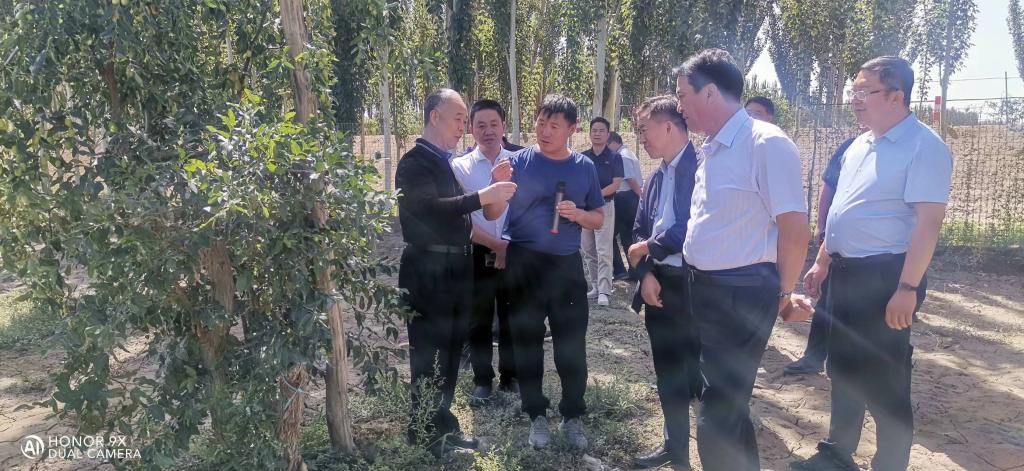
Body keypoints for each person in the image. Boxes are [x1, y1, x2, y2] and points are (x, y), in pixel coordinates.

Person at [792, 56, 953, 471]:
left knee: (885, 379)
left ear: (897, 96)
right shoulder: (859, 145)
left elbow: (928, 224)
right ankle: (837, 453)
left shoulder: (924, 147)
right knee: (843, 366)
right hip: (845, 274)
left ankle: (890, 463)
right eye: (854, 91)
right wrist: (823, 261)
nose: (855, 99)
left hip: (887, 278)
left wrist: (907, 288)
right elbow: (844, 209)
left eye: (865, 91)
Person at [675, 49, 813, 471]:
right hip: (706, 290)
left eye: (682, 95)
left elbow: (795, 229)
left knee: (717, 412)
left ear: (710, 93)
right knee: (727, 403)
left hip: (741, 293)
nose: (679, 106)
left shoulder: (765, 143)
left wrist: (784, 294)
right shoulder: (713, 147)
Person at [394, 89, 517, 458]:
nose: (464, 127)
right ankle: (424, 434)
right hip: (427, 272)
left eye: (465, 120)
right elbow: (430, 209)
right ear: (435, 117)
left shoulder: (445, 162)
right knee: (428, 355)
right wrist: (483, 196)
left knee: (449, 354)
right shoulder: (414, 162)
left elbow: (462, 217)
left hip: (455, 269)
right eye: (459, 119)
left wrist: (488, 200)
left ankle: (443, 425)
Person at [483, 94, 605, 452]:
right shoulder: (517, 162)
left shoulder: (584, 168)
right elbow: (491, 215)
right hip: (524, 263)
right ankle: (535, 413)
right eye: (540, 123)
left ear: (572, 129)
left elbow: (598, 218)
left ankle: (572, 415)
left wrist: (577, 215)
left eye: (554, 125)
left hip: (566, 266)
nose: (545, 131)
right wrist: (493, 186)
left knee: (571, 344)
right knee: (527, 341)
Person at [626, 95, 701, 470]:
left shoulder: (703, 169)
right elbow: (637, 231)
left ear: (668, 126)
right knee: (668, 372)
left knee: (700, 377)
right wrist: (646, 275)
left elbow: (693, 227)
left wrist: (649, 248)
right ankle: (676, 449)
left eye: (644, 129)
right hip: (660, 286)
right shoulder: (655, 177)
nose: (640, 138)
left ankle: (715, 454)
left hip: (696, 287)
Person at [450, 99, 519, 405]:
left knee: (511, 316)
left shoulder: (521, 161)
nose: (488, 131)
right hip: (478, 253)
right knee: (478, 319)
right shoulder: (459, 167)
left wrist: (508, 245)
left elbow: (528, 210)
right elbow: (460, 218)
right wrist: (495, 245)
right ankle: (482, 379)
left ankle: (510, 376)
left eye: (494, 124)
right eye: (481, 125)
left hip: (515, 253)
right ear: (471, 129)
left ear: (504, 126)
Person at [783, 135, 857, 376]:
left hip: (880, 251)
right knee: (826, 300)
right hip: (839, 241)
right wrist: (822, 226)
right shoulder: (852, 146)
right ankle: (814, 357)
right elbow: (829, 187)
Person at [581, 117, 624, 306]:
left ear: (607, 135)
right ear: (589, 133)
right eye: (594, 130)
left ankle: (605, 290)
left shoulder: (615, 157)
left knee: (603, 249)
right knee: (588, 249)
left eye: (601, 131)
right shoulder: (583, 158)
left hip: (605, 206)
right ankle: (595, 286)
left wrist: (595, 195)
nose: (597, 134)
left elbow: (616, 184)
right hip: (585, 208)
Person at [608, 131, 644, 282]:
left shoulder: (622, 156)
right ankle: (633, 271)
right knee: (626, 236)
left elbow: (630, 179)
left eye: (607, 145)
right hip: (630, 198)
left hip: (625, 198)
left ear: (613, 142)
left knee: (615, 236)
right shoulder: (628, 153)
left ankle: (623, 270)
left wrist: (642, 197)